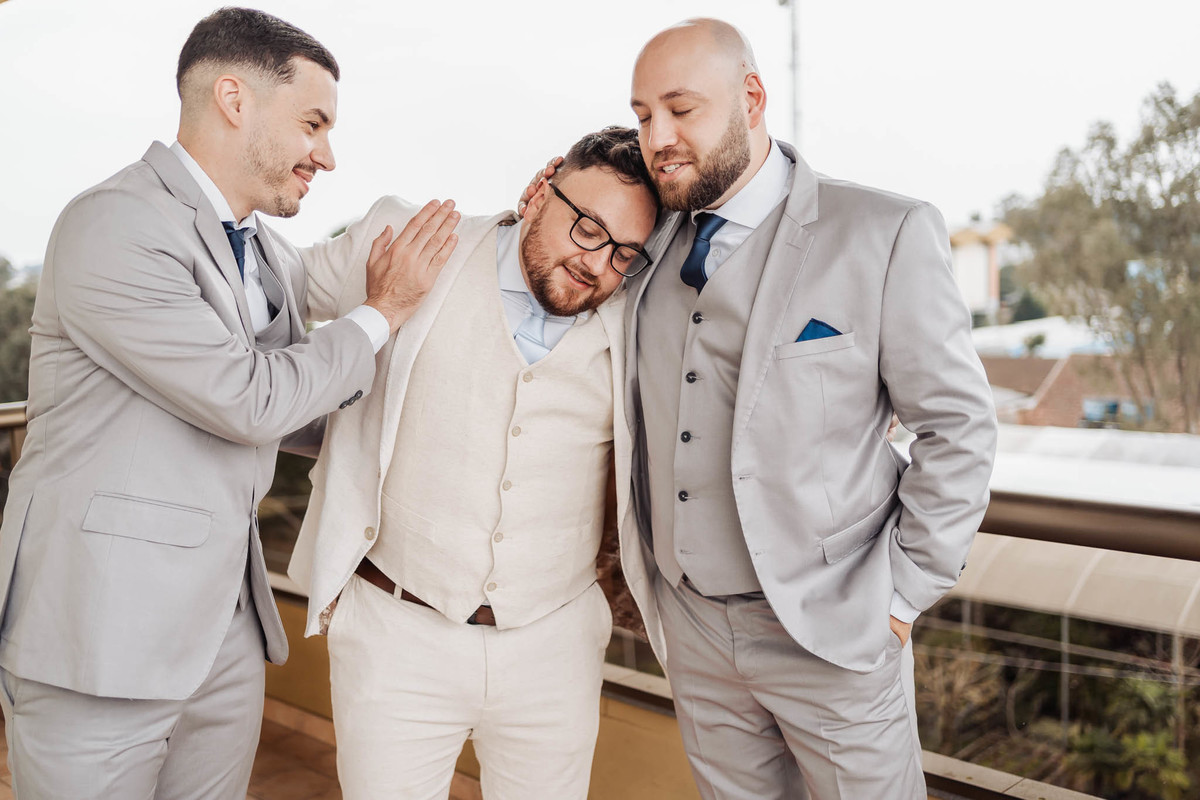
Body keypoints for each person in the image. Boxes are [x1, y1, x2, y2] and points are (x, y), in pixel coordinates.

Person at [0, 8, 458, 798]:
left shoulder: (267, 252)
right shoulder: (113, 224)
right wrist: (381, 312)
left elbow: (300, 411)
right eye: (314, 123)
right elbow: (248, 399)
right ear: (235, 98)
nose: (328, 154)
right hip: (100, 638)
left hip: (226, 635)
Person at [610, 18, 998, 800]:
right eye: (643, 114)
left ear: (751, 98)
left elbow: (958, 426)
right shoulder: (642, 240)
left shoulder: (884, 232)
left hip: (834, 632)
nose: (658, 136)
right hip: (690, 624)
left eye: (681, 109)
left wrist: (899, 595)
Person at [287, 126, 658, 800]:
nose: (599, 265)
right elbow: (270, 297)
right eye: (588, 230)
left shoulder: (641, 317)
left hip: (554, 646)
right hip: (397, 630)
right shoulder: (408, 239)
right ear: (542, 186)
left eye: (625, 253)